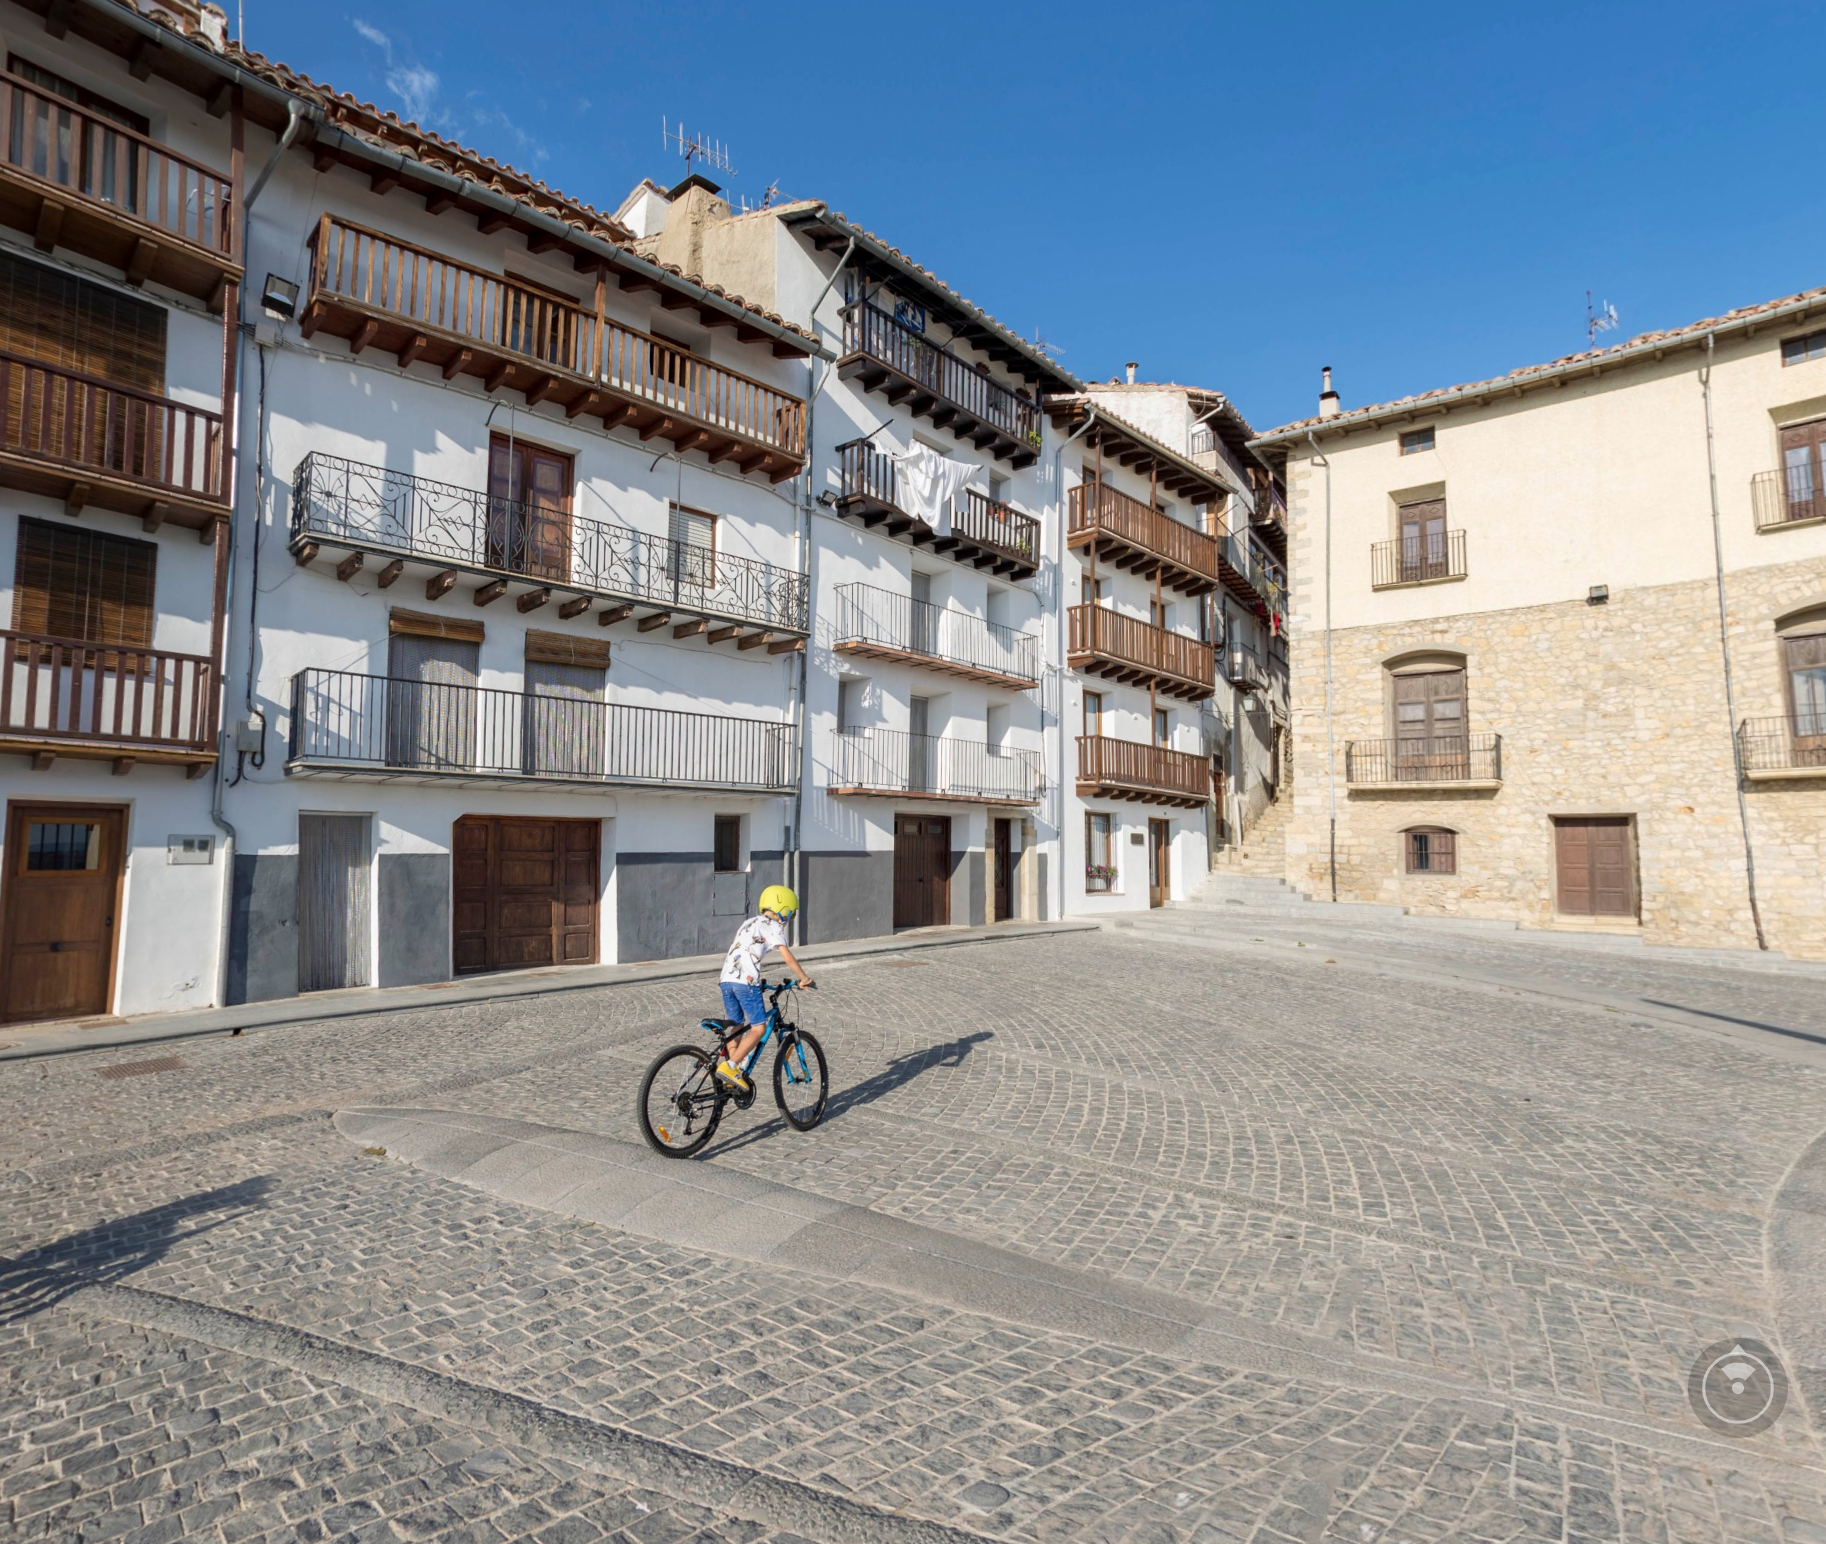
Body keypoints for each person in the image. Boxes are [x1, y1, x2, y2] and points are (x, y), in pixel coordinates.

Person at [715, 884, 814, 1093]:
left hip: (726, 979)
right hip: (745, 981)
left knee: (738, 1027)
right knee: (758, 1028)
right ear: (784, 909)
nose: (789, 918)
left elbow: (743, 949)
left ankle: (731, 1072)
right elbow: (786, 955)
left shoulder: (748, 922)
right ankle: (731, 1067)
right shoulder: (773, 926)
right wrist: (803, 977)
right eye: (791, 914)